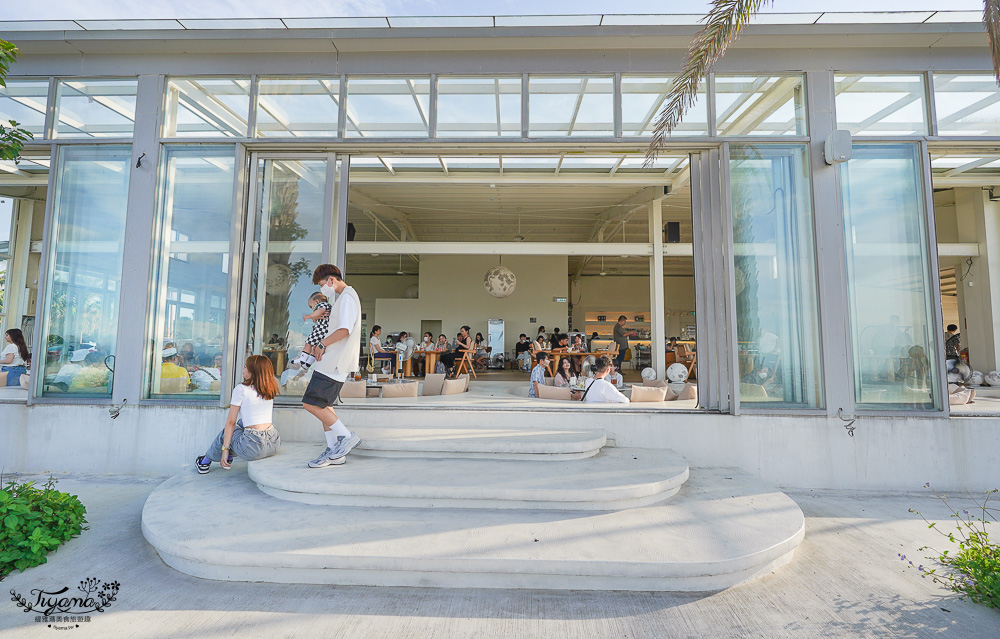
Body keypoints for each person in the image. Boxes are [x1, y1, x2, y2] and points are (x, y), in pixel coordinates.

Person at [302, 264, 363, 469]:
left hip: (334, 361)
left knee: (311, 403)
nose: (322, 291)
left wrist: (321, 344)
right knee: (324, 405)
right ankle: (334, 452)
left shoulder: (346, 297)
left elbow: (345, 329)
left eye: (322, 285)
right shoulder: (346, 297)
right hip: (334, 361)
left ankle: (346, 437)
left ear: (331, 280)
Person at [195, 354, 281, 474]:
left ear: (252, 371)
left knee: (227, 431)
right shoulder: (270, 388)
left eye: (245, 367)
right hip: (273, 443)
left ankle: (205, 461)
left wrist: (225, 450)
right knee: (241, 423)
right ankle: (218, 456)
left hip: (253, 448)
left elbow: (230, 422)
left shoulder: (241, 389)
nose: (243, 369)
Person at [289, 291, 332, 371]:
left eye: (311, 306)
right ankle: (308, 364)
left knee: (308, 343)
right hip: (325, 331)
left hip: (320, 330)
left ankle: (302, 360)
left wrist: (310, 316)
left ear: (317, 302)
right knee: (315, 348)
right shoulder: (329, 307)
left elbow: (320, 311)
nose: (312, 309)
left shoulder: (322, 305)